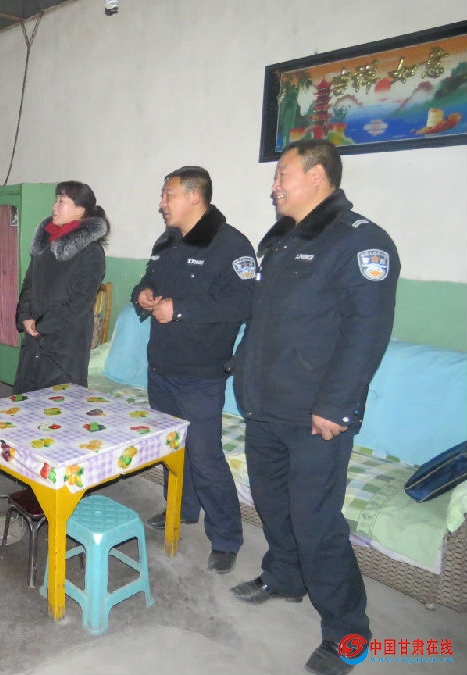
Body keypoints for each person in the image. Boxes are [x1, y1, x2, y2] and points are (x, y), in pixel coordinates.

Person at [230, 139, 400, 675]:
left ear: (318, 176)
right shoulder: (282, 241)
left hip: (315, 416)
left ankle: (348, 633)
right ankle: (284, 577)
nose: (274, 185)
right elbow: (264, 323)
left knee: (316, 522)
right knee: (272, 504)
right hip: (265, 406)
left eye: (282, 174)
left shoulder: (360, 241)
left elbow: (366, 333)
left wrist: (337, 406)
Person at [131, 166, 254, 574]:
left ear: (194, 197)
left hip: (200, 374)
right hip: (161, 366)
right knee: (173, 450)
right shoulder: (167, 241)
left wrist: (180, 309)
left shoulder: (231, 245)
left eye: (168, 195)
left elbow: (243, 303)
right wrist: (144, 294)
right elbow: (147, 280)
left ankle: (226, 538)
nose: (162, 203)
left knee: (204, 456)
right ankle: (181, 510)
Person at [12, 181, 108, 394]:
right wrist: (26, 316)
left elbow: (80, 302)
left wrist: (43, 325)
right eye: (56, 200)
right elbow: (29, 283)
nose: (54, 207)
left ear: (80, 210)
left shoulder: (91, 252)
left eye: (61, 201)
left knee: (59, 405)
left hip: (66, 345)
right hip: (34, 339)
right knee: (26, 402)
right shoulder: (44, 243)